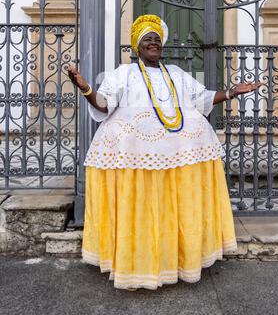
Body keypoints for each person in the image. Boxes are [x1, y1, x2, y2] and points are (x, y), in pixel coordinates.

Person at [68, 14, 262, 291]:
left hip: (178, 156)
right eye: (147, 39)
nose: (153, 43)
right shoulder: (123, 73)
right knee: (142, 211)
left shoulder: (176, 73)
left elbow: (202, 98)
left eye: (157, 39)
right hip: (135, 159)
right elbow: (103, 105)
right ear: (137, 45)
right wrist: (85, 87)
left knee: (173, 210)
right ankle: (139, 265)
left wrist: (231, 92)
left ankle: (178, 260)